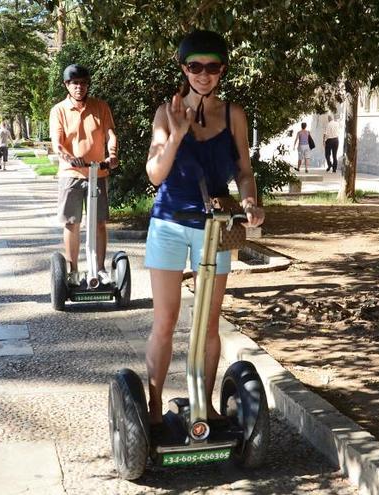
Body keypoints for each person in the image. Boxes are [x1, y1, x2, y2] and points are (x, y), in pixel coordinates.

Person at [144, 30, 265, 428]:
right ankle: (153, 406)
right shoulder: (167, 112)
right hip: (169, 223)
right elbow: (155, 174)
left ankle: (205, 406)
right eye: (195, 66)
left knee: (209, 324)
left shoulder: (234, 114)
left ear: (222, 70)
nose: (203, 74)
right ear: (183, 68)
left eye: (212, 67)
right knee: (166, 320)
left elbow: (244, 172)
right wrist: (176, 136)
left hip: (214, 228)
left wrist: (250, 201)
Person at [49, 63, 119, 284]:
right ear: (66, 85)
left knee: (99, 223)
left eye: (83, 83)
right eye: (74, 83)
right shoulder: (59, 110)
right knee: (72, 223)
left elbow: (110, 133)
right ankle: (72, 272)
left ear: (88, 85)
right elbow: (57, 142)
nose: (79, 87)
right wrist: (69, 157)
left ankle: (99, 269)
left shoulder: (100, 107)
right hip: (71, 174)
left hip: (97, 172)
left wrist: (112, 154)